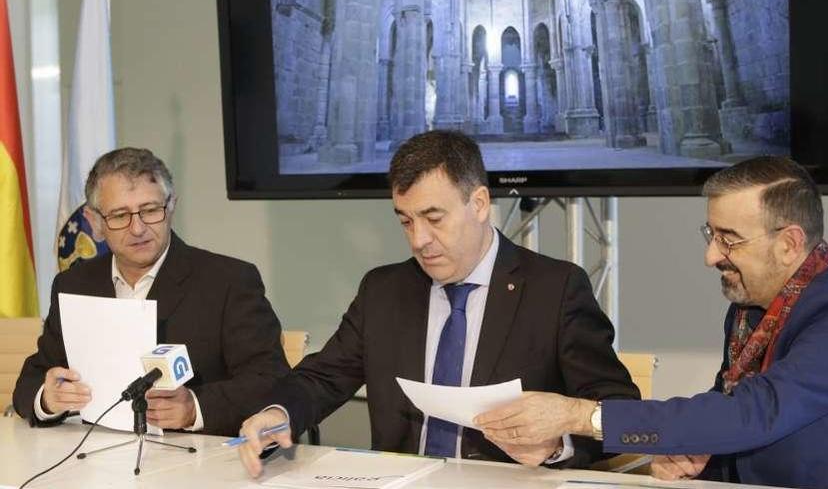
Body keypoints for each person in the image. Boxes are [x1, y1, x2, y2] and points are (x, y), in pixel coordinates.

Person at [237, 130, 639, 477]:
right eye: (406, 221)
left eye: (434, 218)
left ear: (479, 204)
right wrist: (279, 413)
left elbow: (617, 409)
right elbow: (323, 378)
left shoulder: (556, 288)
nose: (418, 241)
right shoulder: (384, 290)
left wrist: (556, 447)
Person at [475, 157, 828, 489]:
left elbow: (755, 413)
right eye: (711, 234)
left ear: (789, 243)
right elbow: (726, 405)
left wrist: (579, 416)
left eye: (729, 239)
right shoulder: (753, 300)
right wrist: (696, 455)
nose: (711, 256)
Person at [13, 147, 290, 437]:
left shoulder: (229, 281)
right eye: (120, 215)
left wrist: (195, 408)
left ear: (171, 208)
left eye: (150, 210)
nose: (138, 228)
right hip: (96, 460)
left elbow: (272, 380)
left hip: (197, 462)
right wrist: (48, 398)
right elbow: (32, 379)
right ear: (94, 222)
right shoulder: (74, 284)